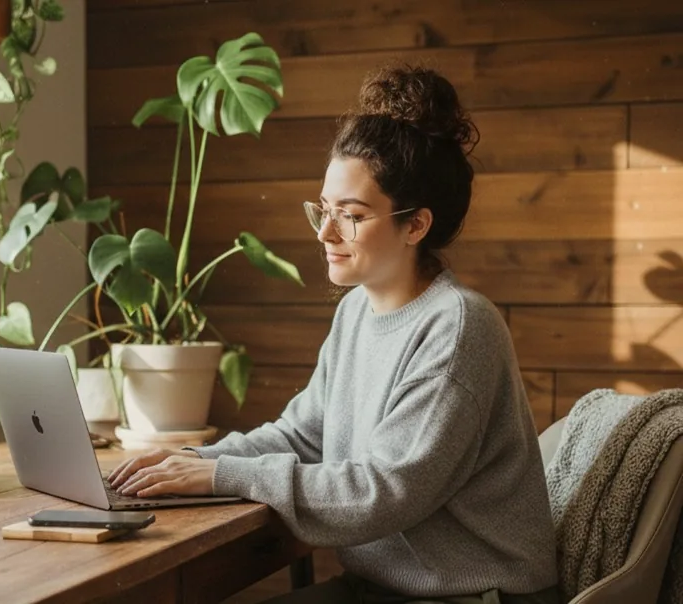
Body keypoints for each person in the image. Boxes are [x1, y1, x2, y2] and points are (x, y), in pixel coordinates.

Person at [107, 65, 560, 604]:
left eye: (350, 215)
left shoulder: (459, 327)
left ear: (415, 225)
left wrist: (222, 477)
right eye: (323, 210)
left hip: (473, 598)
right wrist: (193, 462)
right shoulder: (355, 315)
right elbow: (301, 437)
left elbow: (383, 491)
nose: (325, 233)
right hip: (378, 589)